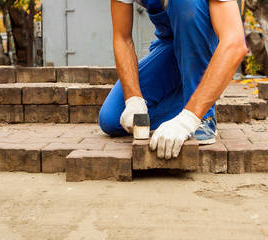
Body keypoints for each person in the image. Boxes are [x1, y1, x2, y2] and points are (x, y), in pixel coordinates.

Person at [99, 0, 247, 160]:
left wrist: (188, 120)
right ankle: (198, 96)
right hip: (169, 47)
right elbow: (122, 37)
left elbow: (235, 43)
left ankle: (203, 116)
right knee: (112, 118)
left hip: (206, 47)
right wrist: (133, 99)